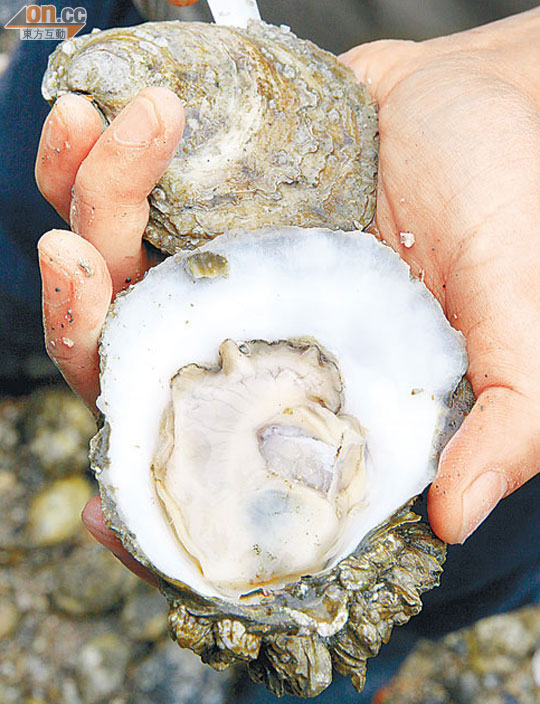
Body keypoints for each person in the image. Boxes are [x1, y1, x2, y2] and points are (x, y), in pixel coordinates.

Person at [3, 1, 540, 701]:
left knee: (395, 603)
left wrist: (518, 67)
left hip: (453, 144)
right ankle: (15, 351)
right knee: (40, 224)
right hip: (160, 34)